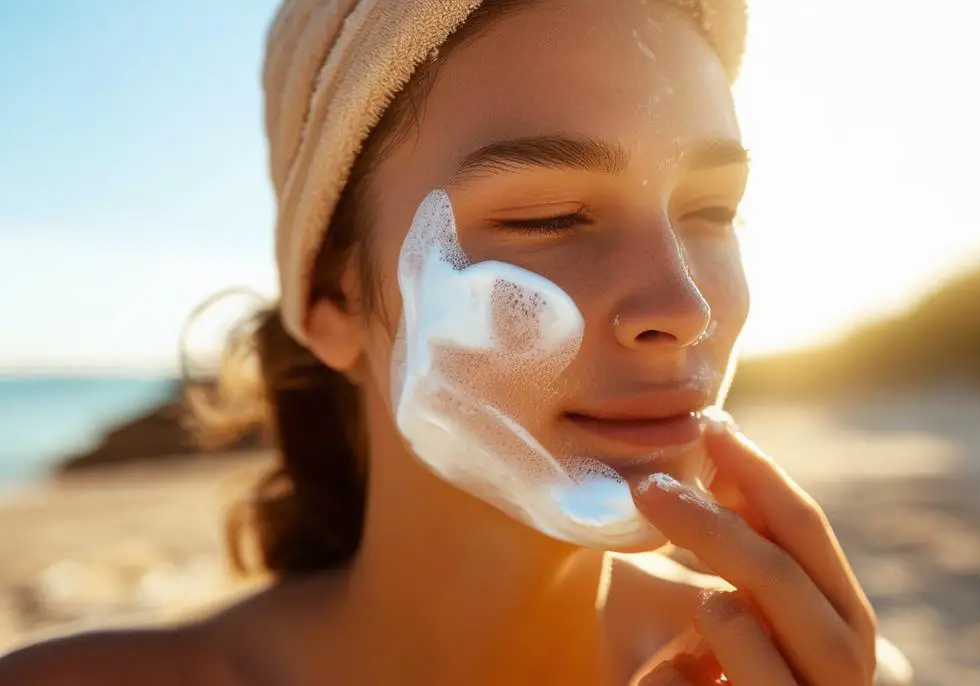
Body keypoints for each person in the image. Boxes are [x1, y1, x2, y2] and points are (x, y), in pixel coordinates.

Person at [0, 0, 912, 683]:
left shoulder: (813, 672)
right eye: (550, 215)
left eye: (712, 211)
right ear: (330, 302)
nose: (683, 304)